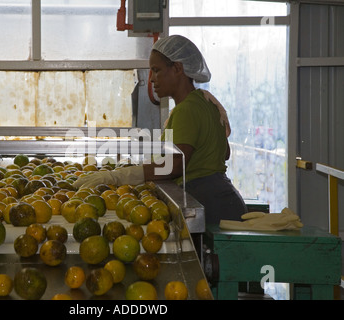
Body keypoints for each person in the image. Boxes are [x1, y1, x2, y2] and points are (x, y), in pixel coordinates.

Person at [73, 35, 247, 225]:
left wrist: (119, 176)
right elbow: (224, 152)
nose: (152, 80)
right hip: (224, 199)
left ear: (178, 68)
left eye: (156, 71)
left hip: (209, 204)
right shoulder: (205, 102)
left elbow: (175, 165)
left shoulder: (186, 109)